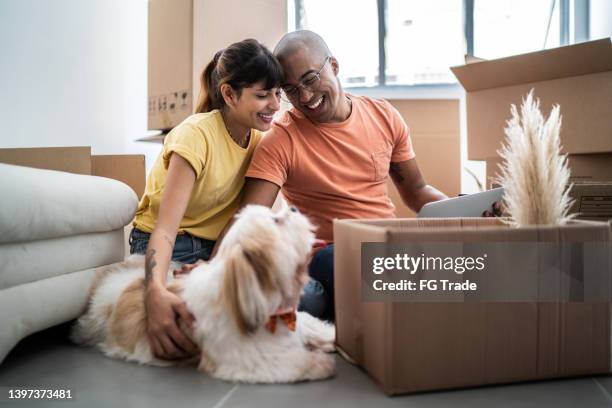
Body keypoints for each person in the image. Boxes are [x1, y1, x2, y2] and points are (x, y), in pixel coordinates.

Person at [210, 31, 448, 321]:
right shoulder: (281, 138)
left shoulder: (383, 115)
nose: (306, 97)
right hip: (329, 257)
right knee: (329, 265)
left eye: (310, 80)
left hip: (387, 250)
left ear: (334, 66)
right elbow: (248, 219)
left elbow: (417, 192)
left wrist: (468, 214)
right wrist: (210, 280)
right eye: (291, 90)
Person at [129, 38, 283, 360]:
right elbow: (165, 230)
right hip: (169, 243)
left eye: (277, 93)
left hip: (213, 250)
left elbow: (244, 220)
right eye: (262, 95)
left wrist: (212, 267)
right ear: (229, 94)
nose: (274, 105)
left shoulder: (259, 140)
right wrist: (154, 291)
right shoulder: (195, 135)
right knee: (187, 318)